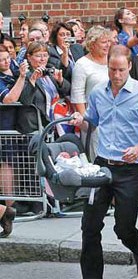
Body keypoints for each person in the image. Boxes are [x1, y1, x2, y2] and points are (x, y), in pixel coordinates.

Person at [70, 44, 138, 279]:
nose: (116, 75)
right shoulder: (98, 93)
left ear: (130, 67)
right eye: (112, 69)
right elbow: (91, 119)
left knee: (123, 229)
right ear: (107, 67)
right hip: (102, 166)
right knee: (89, 228)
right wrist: (79, 118)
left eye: (121, 70)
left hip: (131, 170)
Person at [71, 25, 111, 161]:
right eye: (104, 42)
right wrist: (86, 123)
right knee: (97, 159)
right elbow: (77, 96)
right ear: (92, 44)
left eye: (109, 41)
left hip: (114, 116)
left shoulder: (112, 61)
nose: (108, 45)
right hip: (94, 121)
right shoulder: (82, 64)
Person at [16, 41, 71, 134]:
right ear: (29, 57)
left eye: (45, 55)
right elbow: (25, 101)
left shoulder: (50, 70)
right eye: (38, 56)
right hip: (35, 127)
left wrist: (60, 81)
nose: (42, 59)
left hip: (54, 123)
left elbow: (68, 90)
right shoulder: (24, 74)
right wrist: (32, 80)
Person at [0, 44, 29, 211]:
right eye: (1, 60)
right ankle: (10, 204)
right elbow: (9, 99)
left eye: (7, 58)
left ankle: (18, 198)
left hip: (19, 123)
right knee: (7, 163)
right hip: (5, 123)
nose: (6, 62)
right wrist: (22, 78)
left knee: (18, 161)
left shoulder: (13, 67)